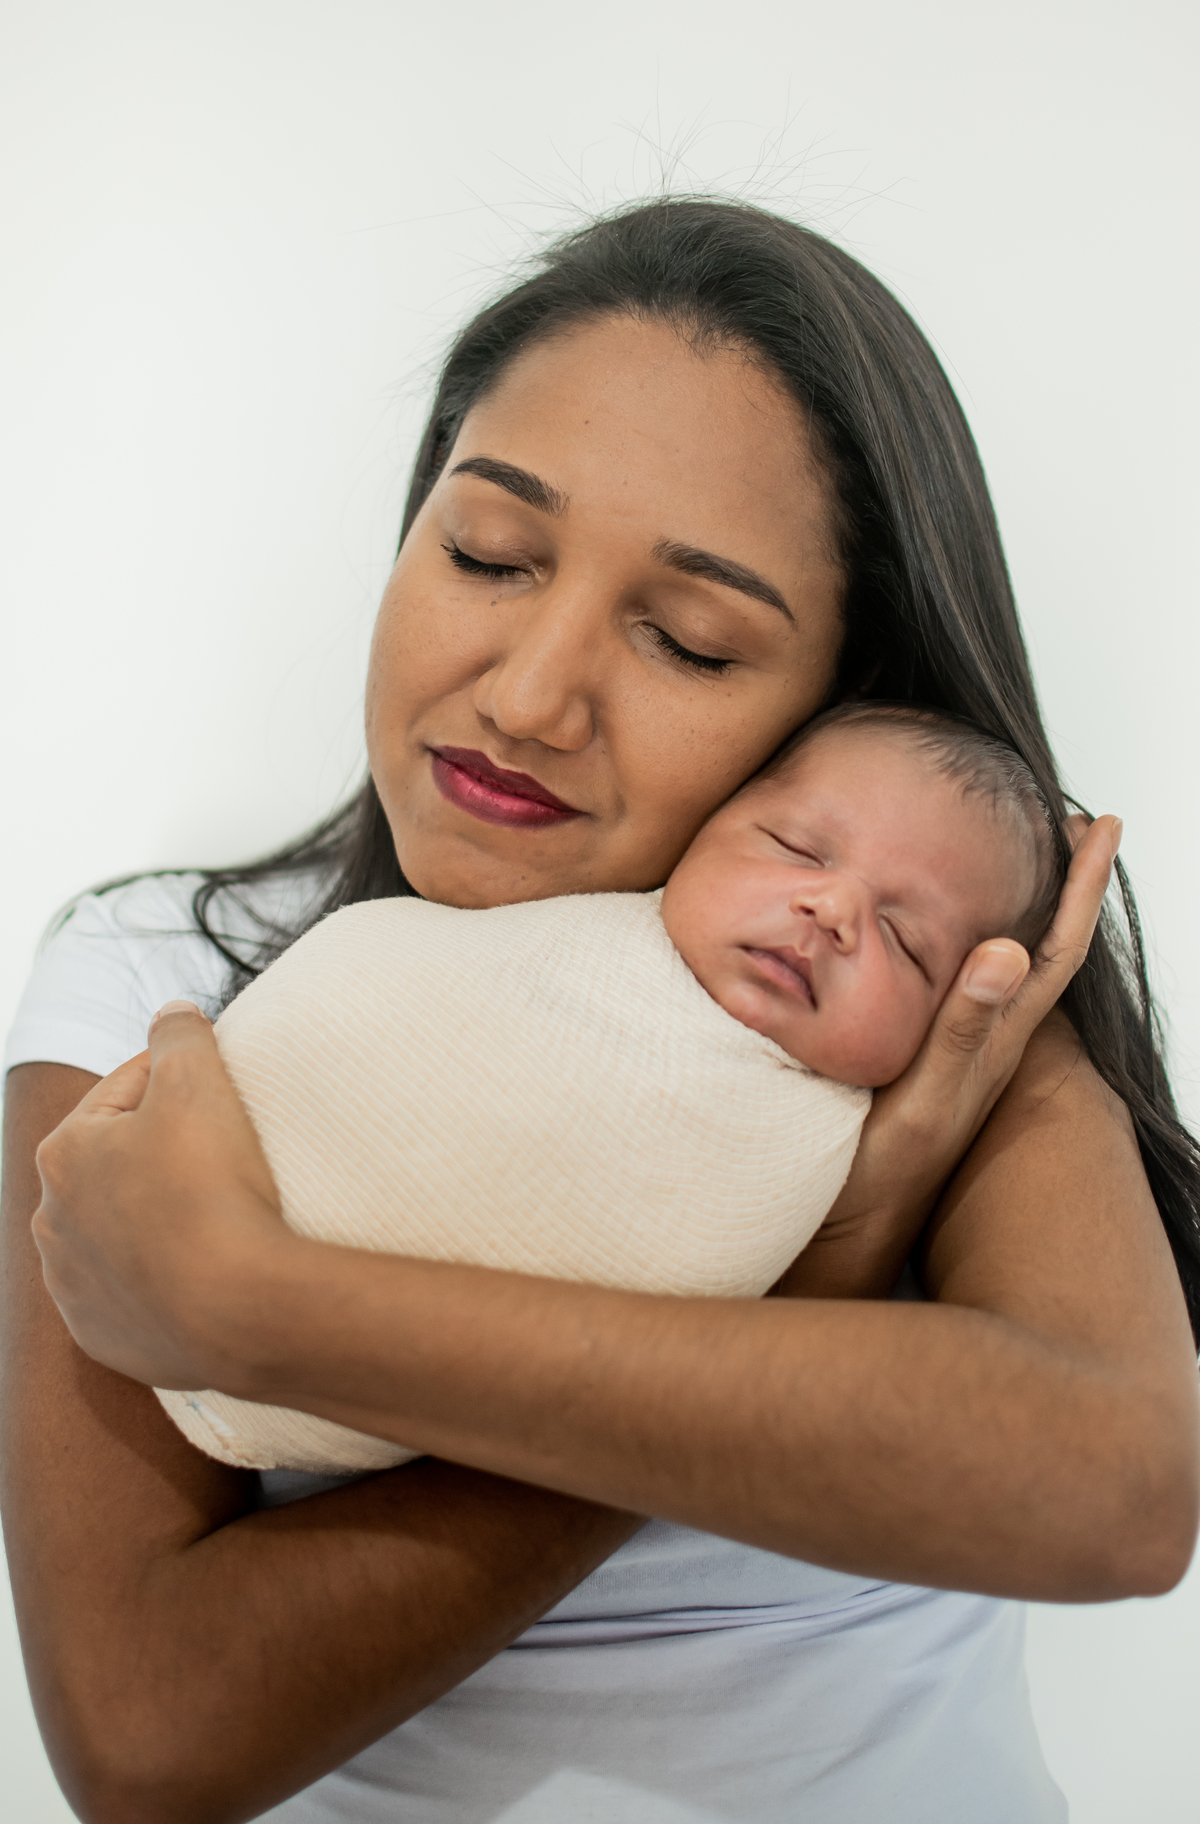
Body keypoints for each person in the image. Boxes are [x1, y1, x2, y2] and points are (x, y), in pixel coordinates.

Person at [4, 199, 1198, 1824]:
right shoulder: (169, 974)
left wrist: (266, 1302)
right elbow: (149, 1737)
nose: (531, 691)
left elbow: (1118, 1491)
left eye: (690, 640)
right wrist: (819, 1260)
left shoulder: (902, 1001)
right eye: (489, 552)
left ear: (837, 708)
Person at [154, 701, 1066, 1480]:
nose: (831, 913)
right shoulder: (565, 917)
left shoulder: (845, 1144)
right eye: (794, 847)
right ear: (706, 824)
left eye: (907, 944)